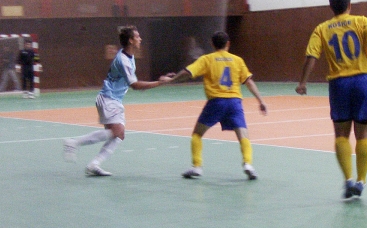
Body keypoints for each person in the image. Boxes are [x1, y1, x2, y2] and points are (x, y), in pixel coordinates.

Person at [295, 0, 367, 199]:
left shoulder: (322, 29)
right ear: (349, 5)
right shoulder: (362, 21)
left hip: (339, 84)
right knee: (364, 134)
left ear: (331, 7)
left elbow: (311, 57)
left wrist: (303, 82)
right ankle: (361, 181)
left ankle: (348, 179)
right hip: (363, 81)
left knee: (341, 134)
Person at [63, 25, 169, 176]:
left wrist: (159, 82)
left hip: (112, 99)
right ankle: (74, 142)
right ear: (131, 40)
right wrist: (160, 83)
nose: (140, 39)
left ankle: (94, 164)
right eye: (137, 36)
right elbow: (135, 85)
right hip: (109, 99)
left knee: (118, 135)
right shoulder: (123, 60)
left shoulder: (129, 56)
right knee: (117, 132)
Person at [160, 31, 267, 180]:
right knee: (243, 135)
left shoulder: (207, 59)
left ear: (212, 44)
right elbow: (249, 82)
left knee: (197, 134)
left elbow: (188, 72)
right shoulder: (237, 60)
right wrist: (261, 101)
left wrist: (171, 80)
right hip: (234, 102)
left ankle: (197, 166)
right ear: (228, 43)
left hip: (216, 102)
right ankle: (248, 164)